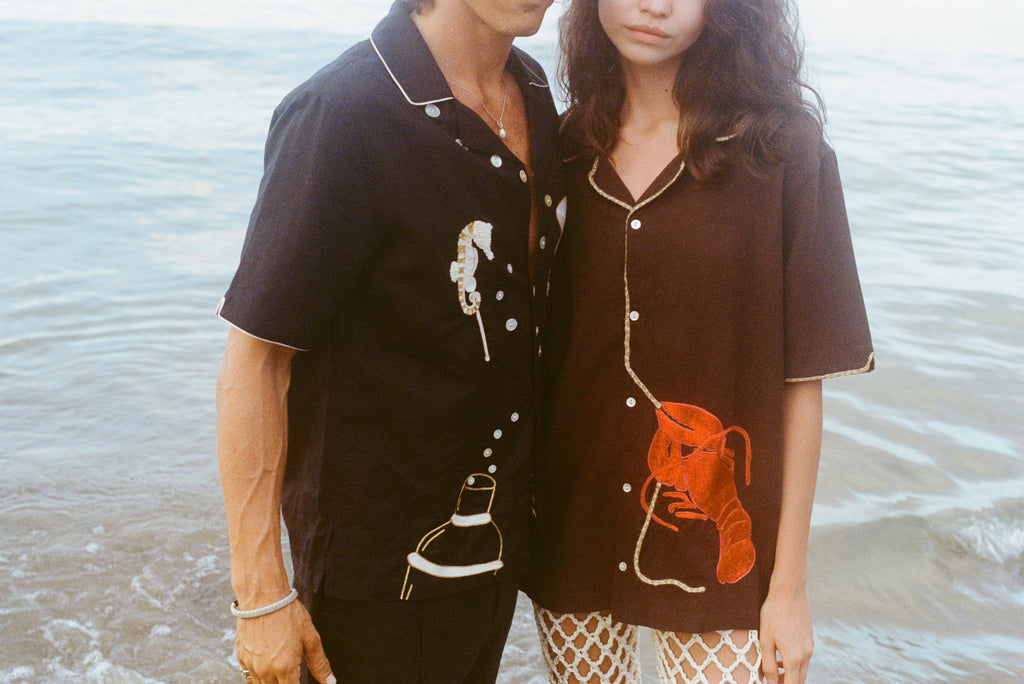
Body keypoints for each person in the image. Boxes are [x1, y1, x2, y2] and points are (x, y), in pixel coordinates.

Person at [523, 0, 874, 682]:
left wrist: (790, 589)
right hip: (576, 526)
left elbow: (802, 382)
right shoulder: (565, 147)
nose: (655, 6)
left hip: (724, 556)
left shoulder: (784, 153)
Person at [215, 0, 565, 680]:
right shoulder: (343, 112)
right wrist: (260, 596)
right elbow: (258, 362)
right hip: (372, 576)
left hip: (492, 549)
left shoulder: (532, 90)